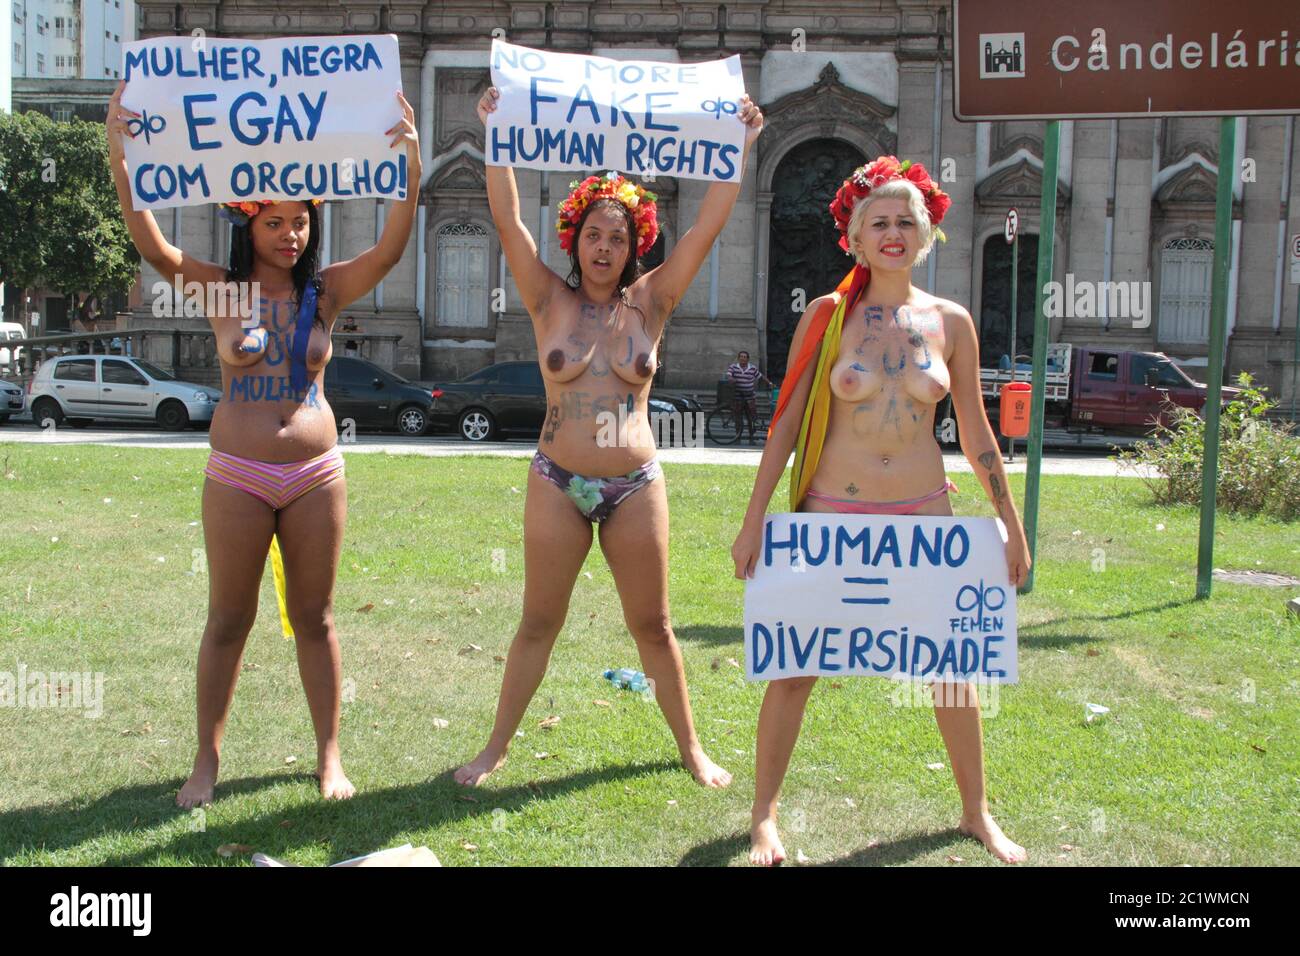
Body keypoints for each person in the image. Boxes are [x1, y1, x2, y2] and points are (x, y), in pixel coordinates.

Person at [106, 80, 422, 806]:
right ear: (247, 226)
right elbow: (153, 245)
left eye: (301, 222)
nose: (290, 234)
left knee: (316, 618)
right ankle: (205, 764)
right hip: (238, 475)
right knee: (227, 620)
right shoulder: (221, 291)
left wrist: (407, 160)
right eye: (274, 221)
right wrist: (120, 153)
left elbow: (392, 245)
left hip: (315, 475)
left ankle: (330, 757)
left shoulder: (329, 292)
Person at [455, 85, 763, 788]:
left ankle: (690, 749)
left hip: (635, 486)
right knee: (538, 622)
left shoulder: (653, 301)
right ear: (575, 238)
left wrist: (739, 149)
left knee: (653, 626)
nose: (604, 246)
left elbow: (706, 231)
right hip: (556, 482)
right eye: (593, 233)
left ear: (634, 245)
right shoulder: (546, 300)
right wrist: (495, 131)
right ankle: (494, 748)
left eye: (618, 236)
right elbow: (507, 223)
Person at [731, 155, 1031, 865]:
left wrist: (1011, 527)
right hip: (833, 518)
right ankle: (764, 817)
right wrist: (753, 523)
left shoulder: (951, 322)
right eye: (879, 222)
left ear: (926, 235)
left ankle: (975, 813)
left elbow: (977, 431)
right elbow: (786, 421)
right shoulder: (829, 316)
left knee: (953, 666)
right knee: (797, 667)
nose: (893, 233)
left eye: (906, 221)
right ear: (855, 237)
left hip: (926, 521)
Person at [725, 350, 772, 443]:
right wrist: (731, 379)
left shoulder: (752, 368)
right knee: (738, 418)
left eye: (745, 357)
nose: (743, 358)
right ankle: (737, 438)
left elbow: (760, 376)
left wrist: (769, 383)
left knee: (751, 418)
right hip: (738, 396)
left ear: (748, 359)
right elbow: (728, 375)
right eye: (741, 357)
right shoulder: (733, 367)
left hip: (750, 397)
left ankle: (751, 438)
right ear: (738, 358)